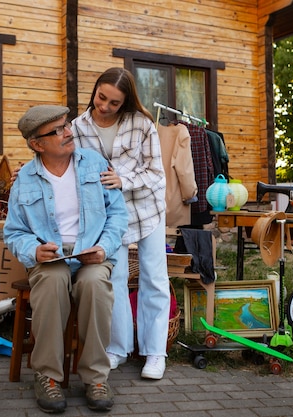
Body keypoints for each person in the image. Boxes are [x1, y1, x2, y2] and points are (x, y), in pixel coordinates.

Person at [4, 105, 128, 413]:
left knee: (96, 285)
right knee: (52, 279)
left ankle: (96, 378)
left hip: (92, 253)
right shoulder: (26, 180)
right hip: (51, 259)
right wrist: (34, 250)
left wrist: (105, 247)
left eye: (66, 125)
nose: (68, 132)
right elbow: (14, 232)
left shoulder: (94, 164)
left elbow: (117, 214)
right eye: (57, 130)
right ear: (37, 144)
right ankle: (48, 376)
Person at [71, 67, 170, 380]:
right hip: (109, 216)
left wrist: (123, 179)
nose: (105, 106)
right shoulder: (78, 126)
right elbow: (66, 164)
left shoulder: (142, 124)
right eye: (102, 98)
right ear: (95, 90)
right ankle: (118, 348)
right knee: (114, 281)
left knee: (154, 278)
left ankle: (155, 353)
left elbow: (156, 173)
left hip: (147, 209)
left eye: (114, 103)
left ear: (125, 103)